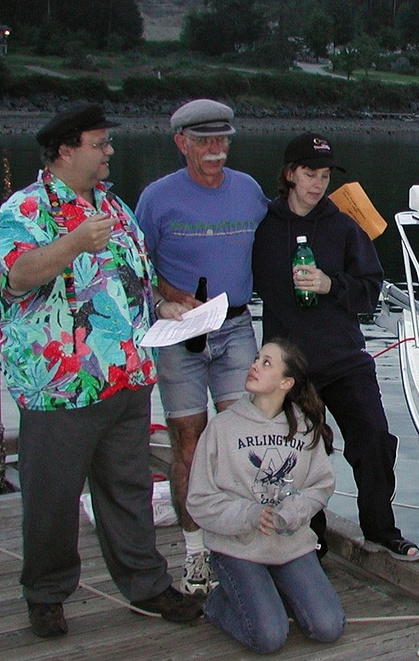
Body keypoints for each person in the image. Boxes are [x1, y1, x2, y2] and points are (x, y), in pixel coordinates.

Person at [0, 103, 203, 638]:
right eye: (99, 143)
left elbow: (139, 279)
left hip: (126, 379)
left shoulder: (113, 204)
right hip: (60, 388)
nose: (109, 151)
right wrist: (72, 242)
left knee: (128, 488)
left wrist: (168, 308)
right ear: (66, 149)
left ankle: (147, 585)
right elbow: (16, 277)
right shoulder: (24, 209)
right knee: (51, 498)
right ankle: (46, 594)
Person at [252, 133, 419, 561]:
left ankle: (382, 530)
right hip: (292, 367)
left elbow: (371, 290)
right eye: (310, 174)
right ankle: (312, 539)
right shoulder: (265, 227)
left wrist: (331, 284)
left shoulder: (345, 226)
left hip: (345, 359)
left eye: (325, 175)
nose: (318, 184)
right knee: (301, 454)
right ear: (290, 174)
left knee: (374, 440)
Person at [135, 99, 268, 596]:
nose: (216, 151)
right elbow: (135, 264)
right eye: (204, 142)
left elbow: (278, 242)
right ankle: (195, 555)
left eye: (223, 140)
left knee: (244, 437)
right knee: (187, 442)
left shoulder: (249, 191)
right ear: (181, 143)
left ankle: (239, 543)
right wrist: (167, 296)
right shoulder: (157, 198)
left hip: (235, 327)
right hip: (180, 330)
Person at [186, 339, 346, 653]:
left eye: (267, 363)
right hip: (238, 548)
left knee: (328, 627)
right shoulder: (222, 428)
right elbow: (199, 501)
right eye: (257, 358)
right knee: (269, 638)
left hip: (290, 546)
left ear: (286, 383)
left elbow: (321, 486)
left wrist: (297, 510)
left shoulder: (306, 427)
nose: (255, 365)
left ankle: (271, 590)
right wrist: (248, 515)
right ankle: (218, 602)